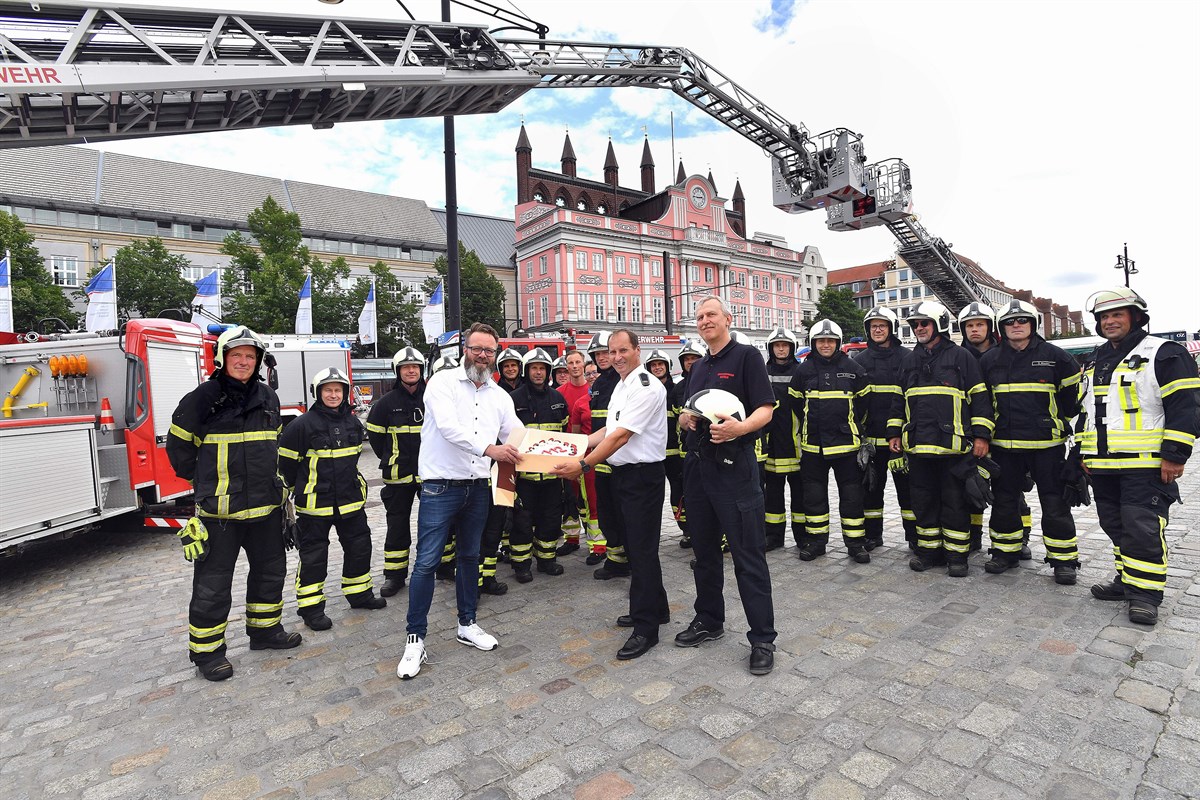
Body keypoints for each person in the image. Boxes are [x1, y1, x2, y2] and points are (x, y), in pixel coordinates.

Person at [167, 326, 301, 681]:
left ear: (257, 361)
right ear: (222, 358)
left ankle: (265, 631)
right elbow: (179, 452)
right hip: (219, 514)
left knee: (270, 574)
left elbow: (273, 446)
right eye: (236, 355)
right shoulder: (201, 398)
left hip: (266, 509)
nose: (243, 362)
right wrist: (205, 483)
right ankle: (208, 654)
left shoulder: (268, 397)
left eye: (250, 356)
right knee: (213, 586)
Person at [396, 323, 523, 680]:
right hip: (440, 486)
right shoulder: (442, 383)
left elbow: (515, 434)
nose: (482, 356)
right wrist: (491, 449)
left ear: (495, 354)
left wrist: (555, 452)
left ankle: (467, 624)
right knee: (427, 563)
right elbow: (450, 428)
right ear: (464, 349)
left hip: (478, 486)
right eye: (476, 349)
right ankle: (415, 638)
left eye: (489, 351)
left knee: (471, 556)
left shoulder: (500, 396)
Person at [1079, 288, 1199, 626]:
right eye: (1104, 316)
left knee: (1142, 527)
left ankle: (1145, 595)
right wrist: (1083, 453)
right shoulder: (1096, 357)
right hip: (1103, 465)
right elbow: (1088, 412)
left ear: (1136, 316)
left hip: (1145, 464)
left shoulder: (1164, 353)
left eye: (1117, 314)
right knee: (1114, 524)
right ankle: (1127, 579)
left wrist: (1174, 455)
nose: (1110, 321)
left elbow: (1187, 407)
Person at [677, 296, 777, 675]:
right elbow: (694, 408)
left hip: (736, 471)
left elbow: (765, 408)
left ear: (727, 319)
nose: (705, 321)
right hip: (700, 471)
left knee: (748, 555)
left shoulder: (748, 357)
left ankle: (763, 638)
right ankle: (709, 620)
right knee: (703, 553)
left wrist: (740, 427)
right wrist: (686, 419)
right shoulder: (699, 366)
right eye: (700, 316)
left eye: (711, 315)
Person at [554, 330, 669, 660]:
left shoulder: (646, 386)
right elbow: (607, 430)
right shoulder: (621, 384)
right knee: (636, 547)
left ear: (637, 350)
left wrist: (583, 465)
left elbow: (621, 437)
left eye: (623, 350)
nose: (616, 356)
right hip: (623, 475)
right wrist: (576, 446)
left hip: (642, 477)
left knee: (642, 551)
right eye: (611, 351)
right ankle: (655, 608)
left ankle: (646, 628)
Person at [977, 300, 1082, 584]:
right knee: (1005, 501)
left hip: (1046, 446)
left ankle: (1063, 561)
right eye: (1010, 322)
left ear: (1033, 324)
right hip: (1004, 447)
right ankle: (1005, 552)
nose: (1016, 326)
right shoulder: (989, 360)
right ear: (1002, 327)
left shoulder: (1056, 356)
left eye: (1022, 320)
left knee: (1055, 503)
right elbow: (982, 403)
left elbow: (1072, 401)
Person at [888, 301, 994, 578]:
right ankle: (929, 553)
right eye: (915, 324)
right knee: (923, 502)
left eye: (924, 323)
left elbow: (980, 399)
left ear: (940, 325)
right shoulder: (909, 361)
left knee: (954, 503)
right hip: (918, 446)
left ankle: (957, 557)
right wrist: (894, 433)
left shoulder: (961, 358)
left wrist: (982, 436)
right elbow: (898, 401)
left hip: (953, 448)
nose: (919, 328)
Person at [279, 367, 386, 631]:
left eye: (338, 390)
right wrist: (299, 489)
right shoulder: (300, 426)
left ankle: (359, 594)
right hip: (315, 504)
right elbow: (286, 466)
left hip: (350, 501)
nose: (334, 394)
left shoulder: (352, 423)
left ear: (346, 393)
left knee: (360, 548)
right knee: (314, 557)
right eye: (328, 390)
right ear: (318, 393)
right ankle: (311, 609)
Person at [789, 320, 871, 562]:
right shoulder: (803, 371)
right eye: (821, 341)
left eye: (830, 341)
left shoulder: (853, 368)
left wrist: (853, 428)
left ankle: (856, 544)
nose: (826, 345)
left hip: (847, 446)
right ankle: (816, 542)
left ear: (838, 342)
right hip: (813, 446)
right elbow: (795, 404)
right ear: (813, 344)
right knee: (813, 497)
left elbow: (864, 405)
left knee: (852, 498)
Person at [852, 307, 918, 551]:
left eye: (882, 325)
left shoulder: (908, 358)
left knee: (908, 491)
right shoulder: (859, 361)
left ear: (892, 328)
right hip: (871, 440)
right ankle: (872, 535)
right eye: (873, 326)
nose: (877, 330)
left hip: (901, 439)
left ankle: (914, 536)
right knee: (871, 490)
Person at [366, 347, 426, 598]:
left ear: (422, 370)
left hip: (429, 475)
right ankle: (395, 575)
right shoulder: (385, 404)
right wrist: (392, 459)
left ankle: (442, 566)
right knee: (397, 526)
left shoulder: (433, 398)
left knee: (435, 524)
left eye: (415, 367)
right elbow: (376, 440)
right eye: (405, 367)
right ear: (398, 371)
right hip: (397, 476)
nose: (411, 370)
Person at [508, 347, 570, 582]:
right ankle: (521, 564)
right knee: (521, 522)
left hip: (553, 477)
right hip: (524, 478)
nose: (538, 373)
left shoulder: (557, 399)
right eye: (534, 368)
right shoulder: (514, 400)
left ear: (548, 372)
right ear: (527, 371)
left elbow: (565, 436)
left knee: (551, 519)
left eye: (542, 368)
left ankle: (546, 560)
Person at [588, 331, 631, 580]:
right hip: (601, 457)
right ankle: (616, 560)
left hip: (618, 457)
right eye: (599, 354)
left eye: (607, 352)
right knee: (606, 513)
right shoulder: (600, 383)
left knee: (623, 512)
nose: (603, 357)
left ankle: (631, 559)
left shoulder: (623, 381)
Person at [762, 327, 804, 552]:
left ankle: (802, 536)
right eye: (777, 345)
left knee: (801, 496)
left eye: (785, 345)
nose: (781, 348)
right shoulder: (762, 371)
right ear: (771, 348)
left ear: (791, 348)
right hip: (772, 444)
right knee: (773, 497)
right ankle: (773, 536)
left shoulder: (801, 371)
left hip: (796, 442)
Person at [556, 349, 593, 557]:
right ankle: (571, 539)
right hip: (565, 453)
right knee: (569, 498)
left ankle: (595, 539)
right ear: (566, 367)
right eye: (571, 363)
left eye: (578, 362)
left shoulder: (592, 391)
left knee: (590, 499)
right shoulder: (559, 392)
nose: (575, 366)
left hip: (588, 453)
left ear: (583, 364)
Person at [669, 341, 705, 547]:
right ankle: (690, 531)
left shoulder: (709, 380)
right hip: (685, 450)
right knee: (688, 494)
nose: (690, 362)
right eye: (687, 359)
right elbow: (676, 419)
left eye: (694, 358)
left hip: (707, 448)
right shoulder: (679, 388)